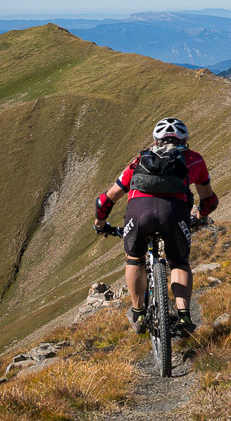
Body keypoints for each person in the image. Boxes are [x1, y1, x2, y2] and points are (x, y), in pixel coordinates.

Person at [93, 117, 218, 335]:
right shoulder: (195, 160)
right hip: (175, 214)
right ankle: (184, 317)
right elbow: (209, 200)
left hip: (139, 212)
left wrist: (101, 223)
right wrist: (199, 216)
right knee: (179, 262)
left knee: (134, 259)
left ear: (155, 140)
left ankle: (138, 312)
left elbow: (106, 199)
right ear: (185, 140)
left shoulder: (140, 159)